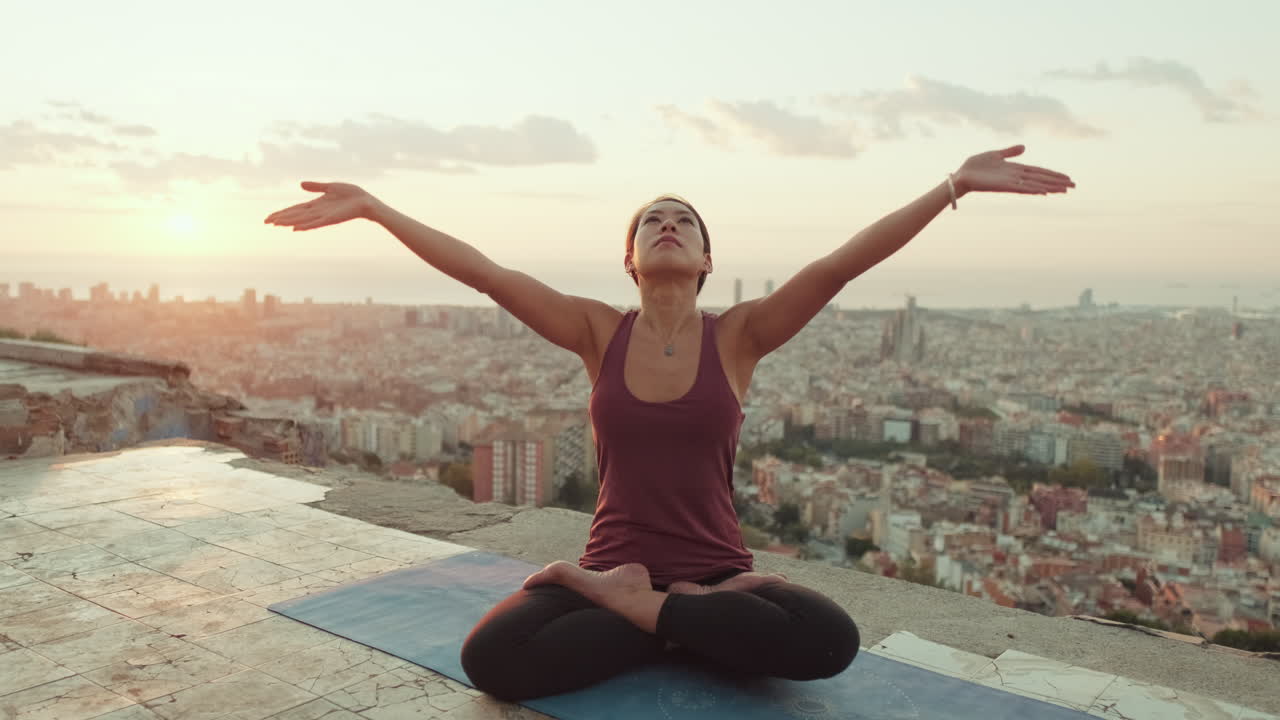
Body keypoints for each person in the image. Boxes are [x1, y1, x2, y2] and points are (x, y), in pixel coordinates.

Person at [264, 144, 1074, 701]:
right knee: (491, 657)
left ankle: (645, 612)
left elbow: (843, 264)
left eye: (684, 219)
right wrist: (374, 208)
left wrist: (953, 186)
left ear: (708, 260)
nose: (668, 224)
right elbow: (485, 271)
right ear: (629, 260)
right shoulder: (595, 332)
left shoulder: (741, 336)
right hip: (621, 562)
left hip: (718, 572)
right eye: (651, 220)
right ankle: (669, 620)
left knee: (831, 641)